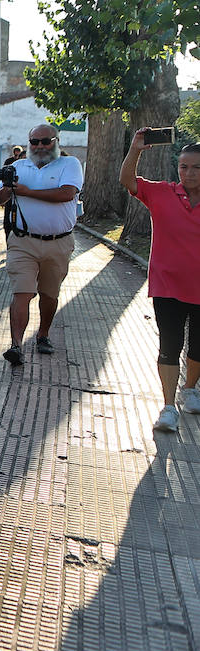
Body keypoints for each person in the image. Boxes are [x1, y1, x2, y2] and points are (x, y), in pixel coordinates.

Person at [120, 132, 200, 431]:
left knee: (198, 348)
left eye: (196, 168)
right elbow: (128, 180)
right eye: (183, 166)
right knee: (169, 345)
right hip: (167, 285)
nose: (188, 173)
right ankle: (168, 408)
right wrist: (135, 149)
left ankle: (189, 388)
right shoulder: (163, 193)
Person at [0, 124, 83, 365]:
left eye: (45, 141)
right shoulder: (18, 167)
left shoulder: (69, 164)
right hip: (23, 241)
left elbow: (66, 194)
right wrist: (8, 190)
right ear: (29, 142)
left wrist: (26, 191)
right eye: (35, 141)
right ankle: (16, 345)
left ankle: (43, 334)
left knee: (49, 295)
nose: (40, 146)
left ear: (56, 140)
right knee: (23, 292)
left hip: (59, 243)